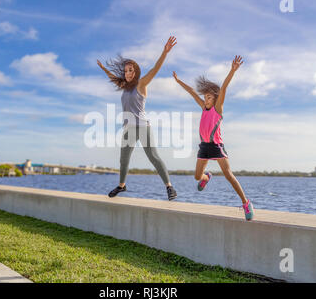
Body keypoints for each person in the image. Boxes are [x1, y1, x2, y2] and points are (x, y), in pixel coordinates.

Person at [172, 55, 254, 220]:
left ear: (216, 100)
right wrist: (178, 80)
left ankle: (246, 203)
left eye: (209, 97)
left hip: (216, 146)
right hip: (204, 147)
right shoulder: (203, 108)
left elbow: (223, 89)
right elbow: (191, 92)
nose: (206, 100)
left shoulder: (217, 109)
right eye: (205, 97)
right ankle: (206, 177)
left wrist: (232, 71)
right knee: (197, 176)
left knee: (228, 175)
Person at [97, 36, 178, 201]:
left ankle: (169, 187)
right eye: (126, 71)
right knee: (123, 159)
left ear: (136, 72)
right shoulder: (124, 87)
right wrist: (104, 69)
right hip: (128, 129)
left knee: (153, 157)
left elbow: (155, 69)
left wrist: (165, 52)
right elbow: (114, 78)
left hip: (142, 127)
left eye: (130, 70)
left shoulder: (141, 84)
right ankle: (122, 185)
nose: (127, 73)